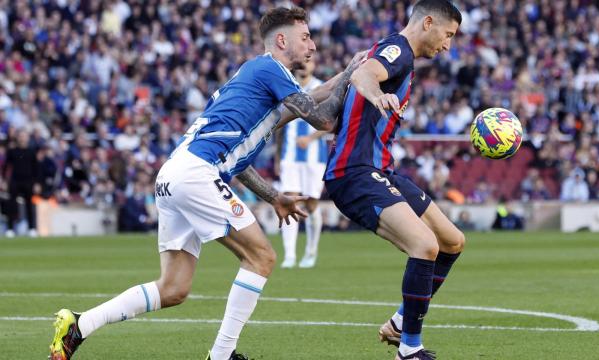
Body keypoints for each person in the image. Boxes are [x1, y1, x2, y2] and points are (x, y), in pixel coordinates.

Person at [48, 7, 363, 360]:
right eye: (306, 37)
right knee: (261, 257)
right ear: (281, 40)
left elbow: (275, 131)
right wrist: (353, 71)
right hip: (196, 173)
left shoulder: (257, 79)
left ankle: (79, 325)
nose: (313, 46)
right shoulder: (270, 69)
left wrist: (273, 196)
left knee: (173, 289)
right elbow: (321, 118)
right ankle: (221, 355)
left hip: (174, 174)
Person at [323, 1, 464, 359]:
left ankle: (401, 323)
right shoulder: (397, 50)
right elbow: (365, 75)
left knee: (451, 241)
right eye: (447, 35)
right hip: (354, 173)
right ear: (428, 23)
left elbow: (351, 79)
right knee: (425, 245)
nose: (448, 45)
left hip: (381, 170)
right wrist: (376, 92)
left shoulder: (399, 56)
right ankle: (409, 349)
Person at [275, 59, 328, 268]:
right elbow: (279, 127)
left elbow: (331, 121)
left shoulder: (321, 88)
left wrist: (310, 139)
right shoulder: (287, 88)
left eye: (310, 62)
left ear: (315, 66)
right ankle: (289, 255)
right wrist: (278, 157)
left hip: (314, 157)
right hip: (290, 156)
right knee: (289, 201)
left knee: (311, 204)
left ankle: (311, 252)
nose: (306, 65)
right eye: (304, 61)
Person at [2, 129, 39, 238]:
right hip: (15, 181)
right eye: (21, 136)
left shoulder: (31, 152)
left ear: (28, 138)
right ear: (17, 137)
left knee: (29, 205)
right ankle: (10, 229)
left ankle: (32, 228)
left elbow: (36, 168)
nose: (22, 138)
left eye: (24, 136)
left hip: (28, 181)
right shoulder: (12, 151)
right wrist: (4, 180)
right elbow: (5, 167)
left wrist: (36, 183)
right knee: (11, 205)